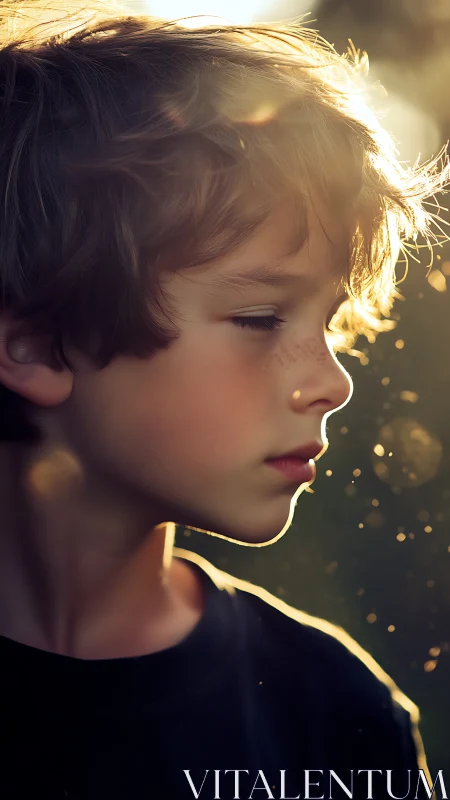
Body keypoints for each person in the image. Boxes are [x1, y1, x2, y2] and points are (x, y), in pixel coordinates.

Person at [0, 1, 447, 797]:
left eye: (330, 323)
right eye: (261, 319)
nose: (334, 383)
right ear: (36, 344)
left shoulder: (336, 717)